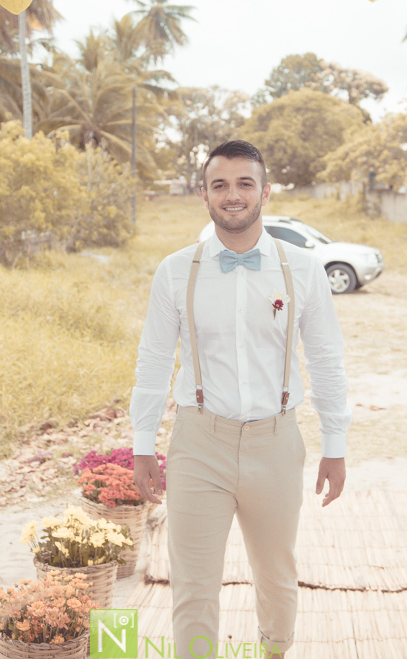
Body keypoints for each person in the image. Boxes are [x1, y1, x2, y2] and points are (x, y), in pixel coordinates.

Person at [131, 140, 351, 659]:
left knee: (277, 576)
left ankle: (273, 653)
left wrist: (335, 444)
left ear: (265, 192)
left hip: (276, 442)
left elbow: (325, 360)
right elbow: (154, 361)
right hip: (198, 440)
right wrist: (143, 443)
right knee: (192, 581)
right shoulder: (175, 270)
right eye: (220, 185)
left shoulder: (302, 268)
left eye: (244, 183)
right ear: (203, 194)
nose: (233, 195)